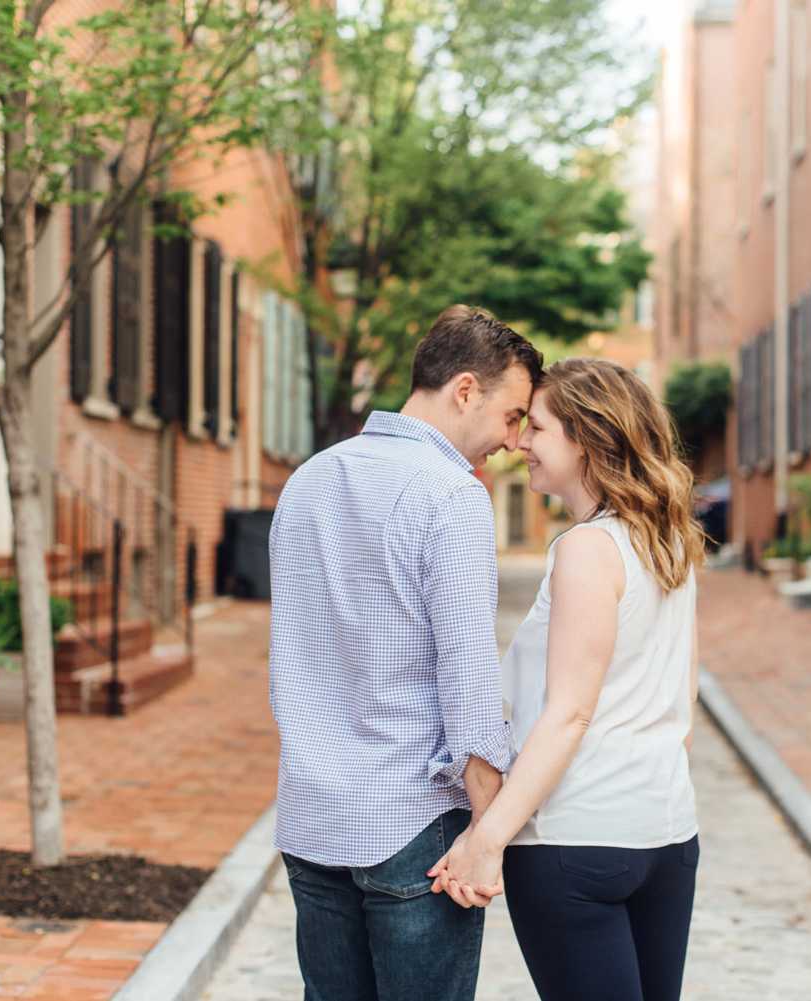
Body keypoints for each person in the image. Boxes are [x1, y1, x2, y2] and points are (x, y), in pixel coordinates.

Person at [268, 305, 543, 1001]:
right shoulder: (452, 495)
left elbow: (294, 653)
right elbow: (468, 682)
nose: (514, 441)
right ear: (464, 391)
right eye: (513, 415)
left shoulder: (306, 481)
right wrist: (490, 828)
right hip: (415, 827)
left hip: (313, 817)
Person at [430, 358, 704, 1001]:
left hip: (573, 843)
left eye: (540, 428)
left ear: (588, 439)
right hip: (666, 836)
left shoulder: (587, 549)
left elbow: (569, 714)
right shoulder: (671, 541)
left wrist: (486, 838)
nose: (520, 442)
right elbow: (682, 699)